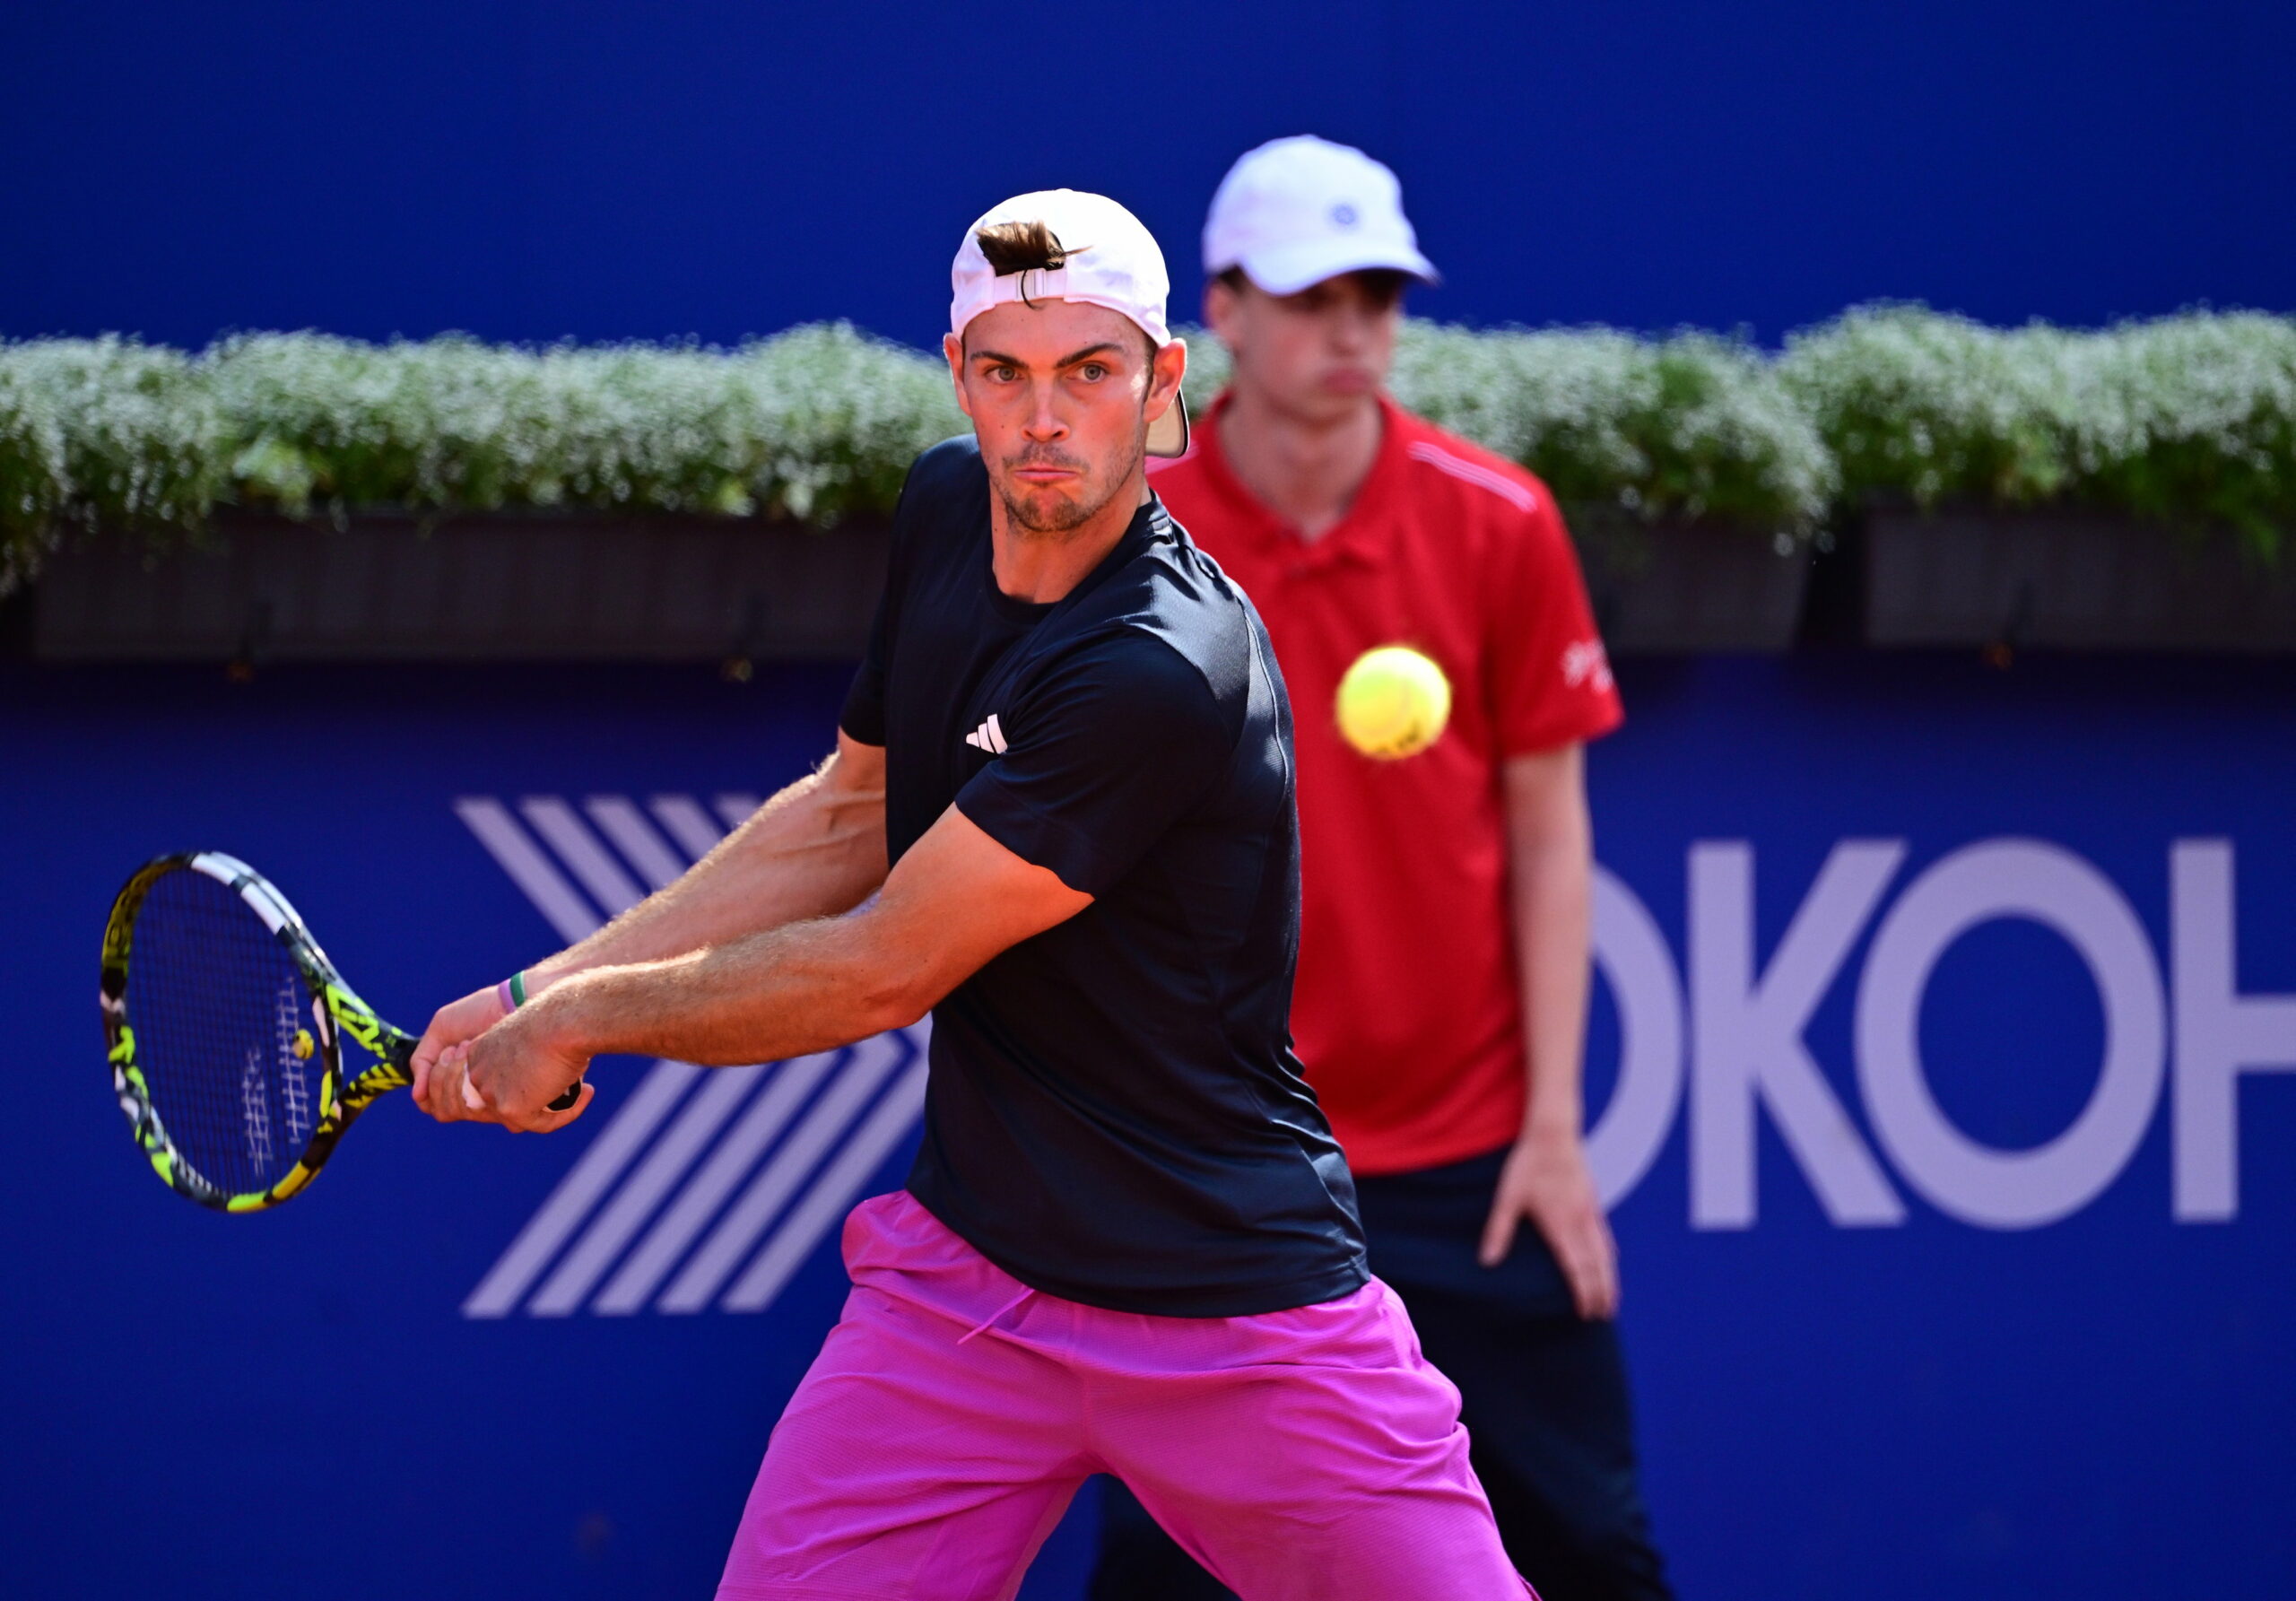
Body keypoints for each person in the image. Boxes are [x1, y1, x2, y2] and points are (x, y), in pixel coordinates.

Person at [409, 188, 1531, 1601]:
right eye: (1005, 370)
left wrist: (581, 1020)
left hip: (1229, 1303)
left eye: (1090, 370)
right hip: (970, 1293)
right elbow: (851, 812)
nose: (1043, 420)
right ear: (958, 373)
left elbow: (884, 966)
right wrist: (534, 991)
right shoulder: (947, 506)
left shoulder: (1159, 666)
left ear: (1164, 379)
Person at [1091, 137, 1673, 1601]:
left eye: (1379, 294)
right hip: (1220, 1171)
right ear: (1221, 312)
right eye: (1312, 294)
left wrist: (1552, 1127)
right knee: (1168, 1579)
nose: (1354, 329)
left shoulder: (1498, 520)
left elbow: (1550, 835)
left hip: (1472, 1166)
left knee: (1592, 1549)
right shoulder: (1122, 542)